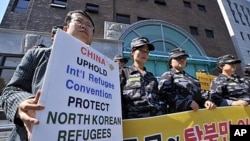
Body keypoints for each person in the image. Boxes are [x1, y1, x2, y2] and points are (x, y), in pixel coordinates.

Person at [0, 10, 95, 141]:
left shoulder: (99, 69)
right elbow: (10, 92)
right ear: (65, 29)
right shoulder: (37, 55)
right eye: (79, 21)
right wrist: (23, 102)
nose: (84, 26)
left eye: (89, 25)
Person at [158, 48, 216, 113]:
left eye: (184, 58)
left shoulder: (192, 79)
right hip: (179, 116)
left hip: (197, 116)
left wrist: (206, 101)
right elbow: (164, 95)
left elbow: (200, 94)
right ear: (170, 62)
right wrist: (186, 103)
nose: (182, 59)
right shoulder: (168, 75)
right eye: (178, 58)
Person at [120, 37, 163, 119]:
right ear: (132, 52)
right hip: (134, 123)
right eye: (141, 50)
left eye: (147, 51)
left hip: (156, 121)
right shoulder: (123, 73)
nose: (145, 53)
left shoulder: (151, 76)